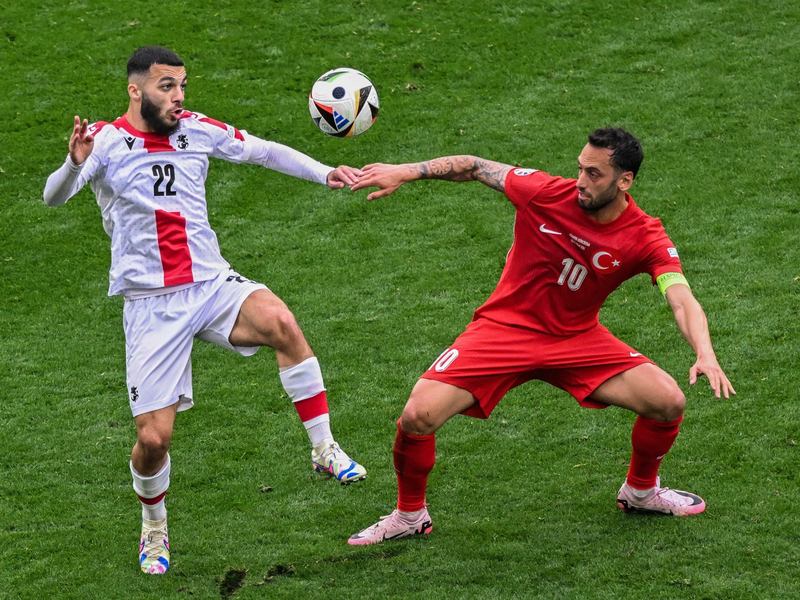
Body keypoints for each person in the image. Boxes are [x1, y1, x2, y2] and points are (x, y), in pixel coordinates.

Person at [43, 46, 367, 574]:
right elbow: (55, 198)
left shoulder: (197, 130)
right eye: (166, 87)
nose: (178, 97)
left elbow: (262, 151)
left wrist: (325, 172)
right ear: (136, 90)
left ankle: (324, 447)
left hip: (211, 284)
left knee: (282, 322)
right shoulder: (103, 141)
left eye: (182, 86)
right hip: (150, 305)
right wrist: (73, 162)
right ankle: (154, 525)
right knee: (153, 440)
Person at [347, 128, 735, 545]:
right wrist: (404, 172)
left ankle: (641, 492)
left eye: (594, 173)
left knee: (668, 401)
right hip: (503, 331)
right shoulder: (545, 192)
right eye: (579, 169)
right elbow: (475, 166)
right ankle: (409, 516)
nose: (581, 182)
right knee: (417, 416)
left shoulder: (644, 235)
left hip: (577, 339)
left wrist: (705, 353)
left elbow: (681, 298)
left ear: (625, 181)